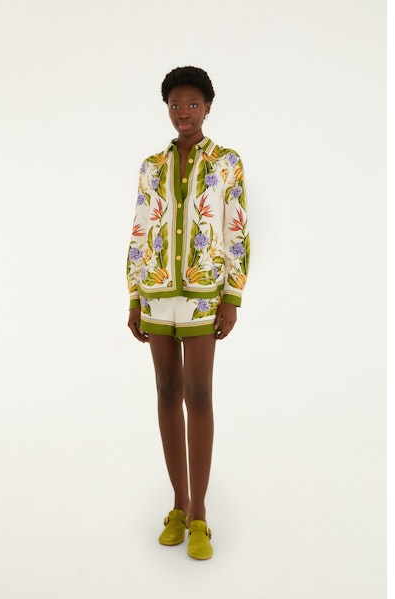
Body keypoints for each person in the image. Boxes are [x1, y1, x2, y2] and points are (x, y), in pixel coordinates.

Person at [126, 66, 250, 560]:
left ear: (208, 108)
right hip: (156, 293)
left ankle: (200, 513)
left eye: (192, 105)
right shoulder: (150, 166)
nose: (183, 113)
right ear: (167, 108)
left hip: (203, 294)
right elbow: (139, 229)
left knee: (198, 394)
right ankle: (177, 504)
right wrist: (134, 296)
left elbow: (236, 229)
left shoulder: (226, 163)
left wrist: (231, 296)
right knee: (165, 393)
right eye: (175, 105)